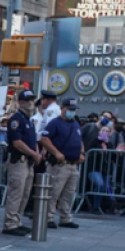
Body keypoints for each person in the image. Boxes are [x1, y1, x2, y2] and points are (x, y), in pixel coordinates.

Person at [38, 97, 84, 228]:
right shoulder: (55, 123)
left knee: (69, 193)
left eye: (74, 110)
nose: (72, 112)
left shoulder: (75, 123)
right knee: (54, 191)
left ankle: (65, 217)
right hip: (59, 164)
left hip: (73, 164)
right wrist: (56, 152)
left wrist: (82, 153)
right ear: (63, 108)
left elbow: (79, 140)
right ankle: (48, 217)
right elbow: (44, 139)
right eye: (70, 109)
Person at [2, 89, 40, 236]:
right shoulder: (16, 119)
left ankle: (16, 220)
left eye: (32, 100)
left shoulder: (28, 120)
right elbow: (17, 143)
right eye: (28, 100)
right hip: (19, 160)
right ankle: (10, 223)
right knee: (16, 193)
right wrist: (34, 154)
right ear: (20, 102)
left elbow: (32, 140)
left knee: (25, 194)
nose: (31, 103)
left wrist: (34, 153)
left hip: (28, 162)